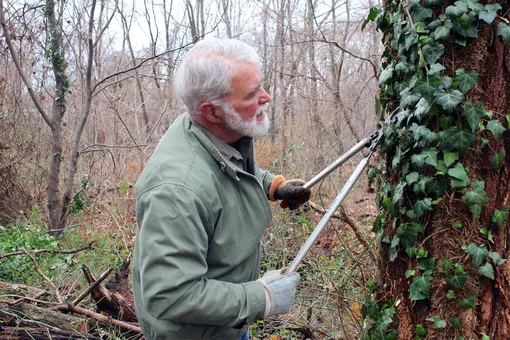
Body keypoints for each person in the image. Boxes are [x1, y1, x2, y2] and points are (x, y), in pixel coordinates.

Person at [132, 37, 311, 340]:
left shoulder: (210, 129)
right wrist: (261, 298)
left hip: (227, 322)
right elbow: (171, 295)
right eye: (253, 94)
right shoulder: (175, 191)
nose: (266, 97)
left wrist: (272, 186)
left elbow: (227, 164)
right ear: (212, 111)